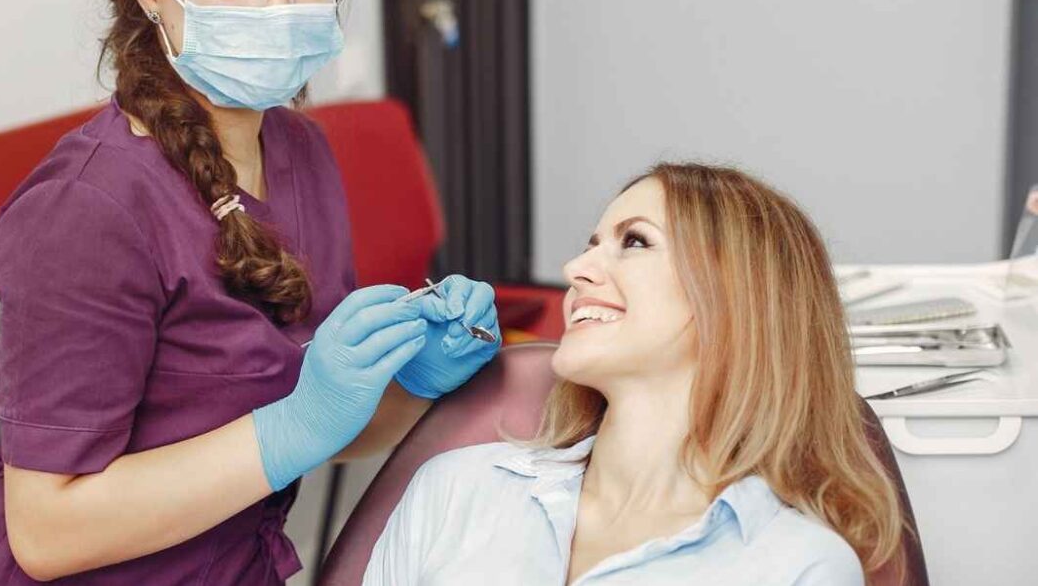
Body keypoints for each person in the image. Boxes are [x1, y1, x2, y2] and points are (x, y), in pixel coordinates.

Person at [0, 0, 499, 584]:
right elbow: (47, 534)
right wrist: (295, 425)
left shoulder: (299, 150)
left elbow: (316, 431)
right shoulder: (87, 209)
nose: (277, 9)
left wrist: (410, 384)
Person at [365, 163, 906, 585]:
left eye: (636, 241)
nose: (575, 270)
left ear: (738, 298)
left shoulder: (796, 564)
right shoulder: (455, 488)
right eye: (591, 246)